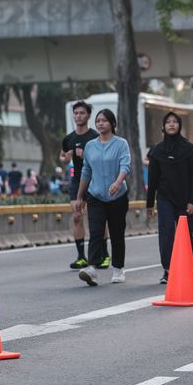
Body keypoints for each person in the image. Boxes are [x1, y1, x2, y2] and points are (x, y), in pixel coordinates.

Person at [74, 109, 130, 286]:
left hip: (117, 196)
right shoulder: (90, 146)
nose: (100, 123)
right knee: (96, 232)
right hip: (96, 195)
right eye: (98, 121)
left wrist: (118, 182)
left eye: (104, 120)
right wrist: (79, 196)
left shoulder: (121, 144)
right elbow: (86, 171)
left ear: (112, 123)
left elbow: (125, 165)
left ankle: (118, 268)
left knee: (117, 233)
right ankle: (91, 268)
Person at [146, 112, 193, 284]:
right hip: (164, 198)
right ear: (163, 126)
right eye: (168, 122)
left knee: (186, 233)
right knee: (167, 232)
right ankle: (168, 269)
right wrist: (149, 204)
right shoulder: (157, 150)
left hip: (185, 199)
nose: (171, 124)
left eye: (175, 122)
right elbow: (152, 179)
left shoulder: (189, 149)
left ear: (180, 125)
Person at [61, 100, 100, 269]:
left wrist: (86, 156)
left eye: (82, 113)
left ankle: (103, 254)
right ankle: (81, 256)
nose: (78, 116)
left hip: (95, 181)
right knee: (77, 217)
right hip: (77, 182)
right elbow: (62, 156)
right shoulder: (69, 138)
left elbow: (101, 159)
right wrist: (66, 158)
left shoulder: (95, 137)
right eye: (76, 113)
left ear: (88, 115)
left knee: (98, 219)